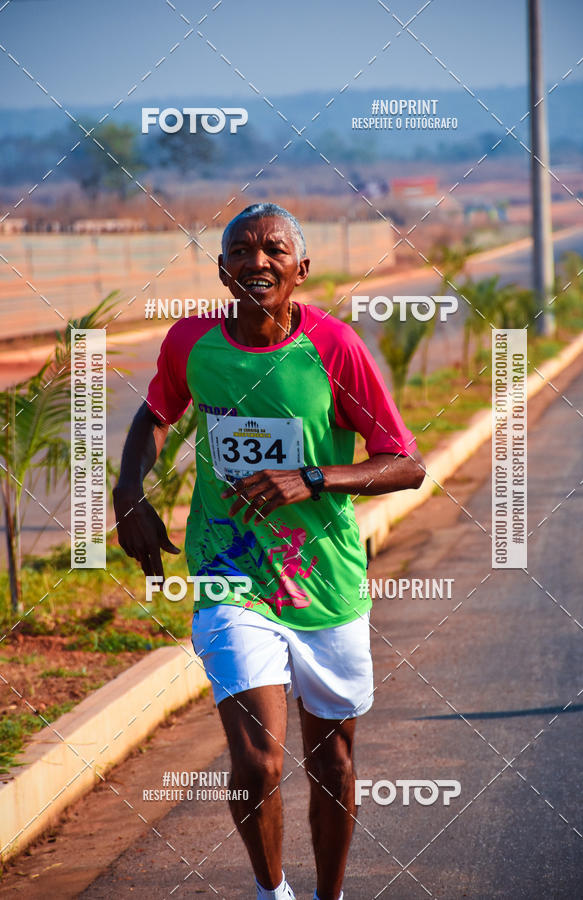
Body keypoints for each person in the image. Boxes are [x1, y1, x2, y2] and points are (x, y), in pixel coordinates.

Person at [113, 203, 425, 900]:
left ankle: (330, 895)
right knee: (257, 761)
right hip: (230, 574)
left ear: (300, 269)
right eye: (242, 251)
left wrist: (310, 478)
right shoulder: (192, 343)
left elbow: (405, 463)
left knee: (333, 763)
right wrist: (128, 489)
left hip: (326, 581)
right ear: (223, 271)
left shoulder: (334, 348)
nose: (258, 261)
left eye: (274, 250)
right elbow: (157, 411)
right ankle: (271, 892)